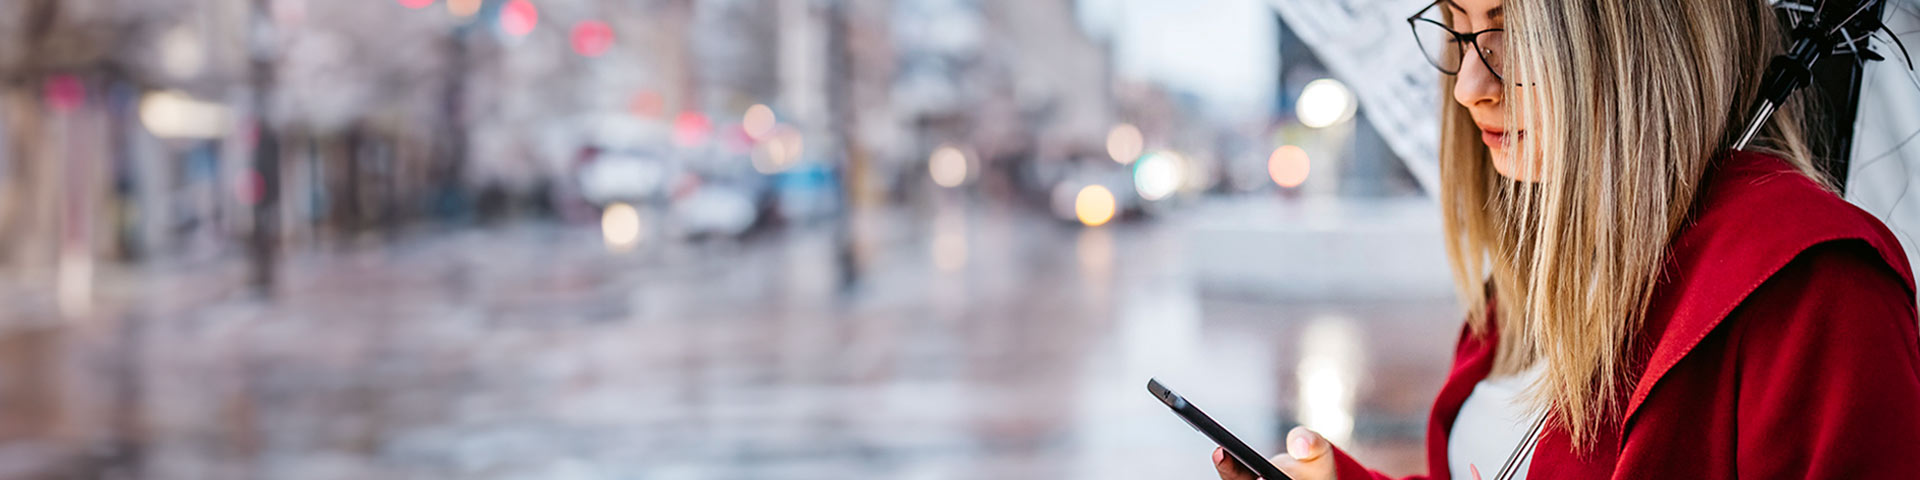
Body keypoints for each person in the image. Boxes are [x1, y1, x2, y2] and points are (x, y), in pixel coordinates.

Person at [1214, 0, 1920, 478]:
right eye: (1458, 32)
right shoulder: (1524, 278)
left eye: (1509, 31)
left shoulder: (1814, 291)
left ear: (1630, 38)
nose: (1468, 86)